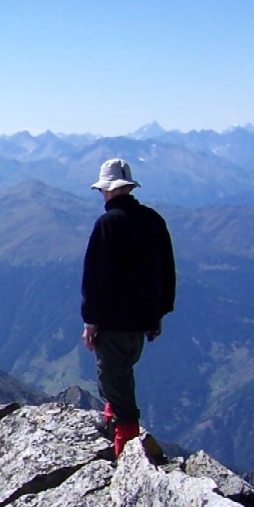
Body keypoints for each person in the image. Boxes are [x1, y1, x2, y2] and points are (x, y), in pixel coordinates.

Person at [81, 158, 176, 458]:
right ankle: (113, 426)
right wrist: (158, 313)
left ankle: (126, 454)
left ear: (107, 191)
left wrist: (91, 321)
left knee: (114, 381)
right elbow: (166, 270)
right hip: (141, 323)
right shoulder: (153, 221)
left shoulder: (107, 225)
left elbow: (95, 278)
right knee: (119, 375)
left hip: (112, 324)